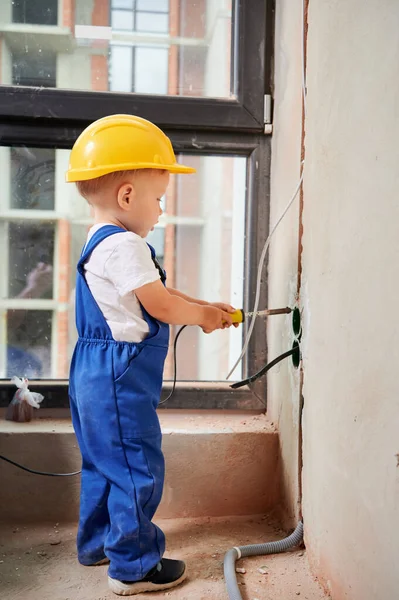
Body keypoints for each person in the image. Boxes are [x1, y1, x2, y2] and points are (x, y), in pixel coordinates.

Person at [66, 114, 236, 596]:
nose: (161, 211)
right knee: (137, 466)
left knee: (104, 462)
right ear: (126, 196)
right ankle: (134, 566)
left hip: (92, 369)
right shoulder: (127, 244)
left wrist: (205, 306)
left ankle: (98, 544)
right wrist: (200, 319)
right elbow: (159, 304)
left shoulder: (102, 239)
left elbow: (154, 291)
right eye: (158, 199)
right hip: (119, 375)